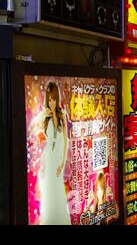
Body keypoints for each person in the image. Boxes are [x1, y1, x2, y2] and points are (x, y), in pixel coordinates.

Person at [38, 82, 71, 225]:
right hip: (48, 159)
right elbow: (36, 133)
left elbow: (65, 139)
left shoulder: (62, 114)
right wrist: (42, 116)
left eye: (53, 99)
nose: (51, 103)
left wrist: (62, 162)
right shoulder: (46, 116)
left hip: (58, 159)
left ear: (57, 98)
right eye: (49, 100)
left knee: (57, 191)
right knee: (49, 191)